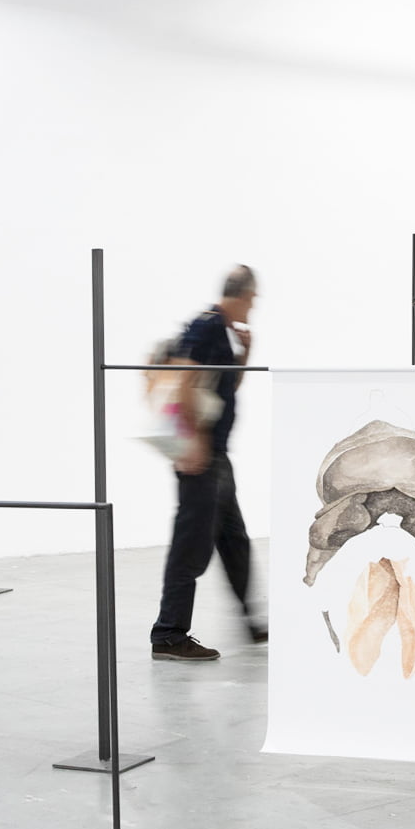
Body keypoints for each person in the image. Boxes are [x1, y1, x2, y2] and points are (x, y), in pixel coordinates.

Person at [149, 265, 265, 661]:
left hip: (216, 458)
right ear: (243, 296)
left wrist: (245, 353)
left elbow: (226, 386)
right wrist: (193, 440)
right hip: (201, 458)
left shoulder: (222, 331)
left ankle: (254, 621)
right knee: (191, 547)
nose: (253, 306)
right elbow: (182, 377)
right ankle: (168, 635)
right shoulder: (207, 326)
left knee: (235, 543)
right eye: (252, 299)